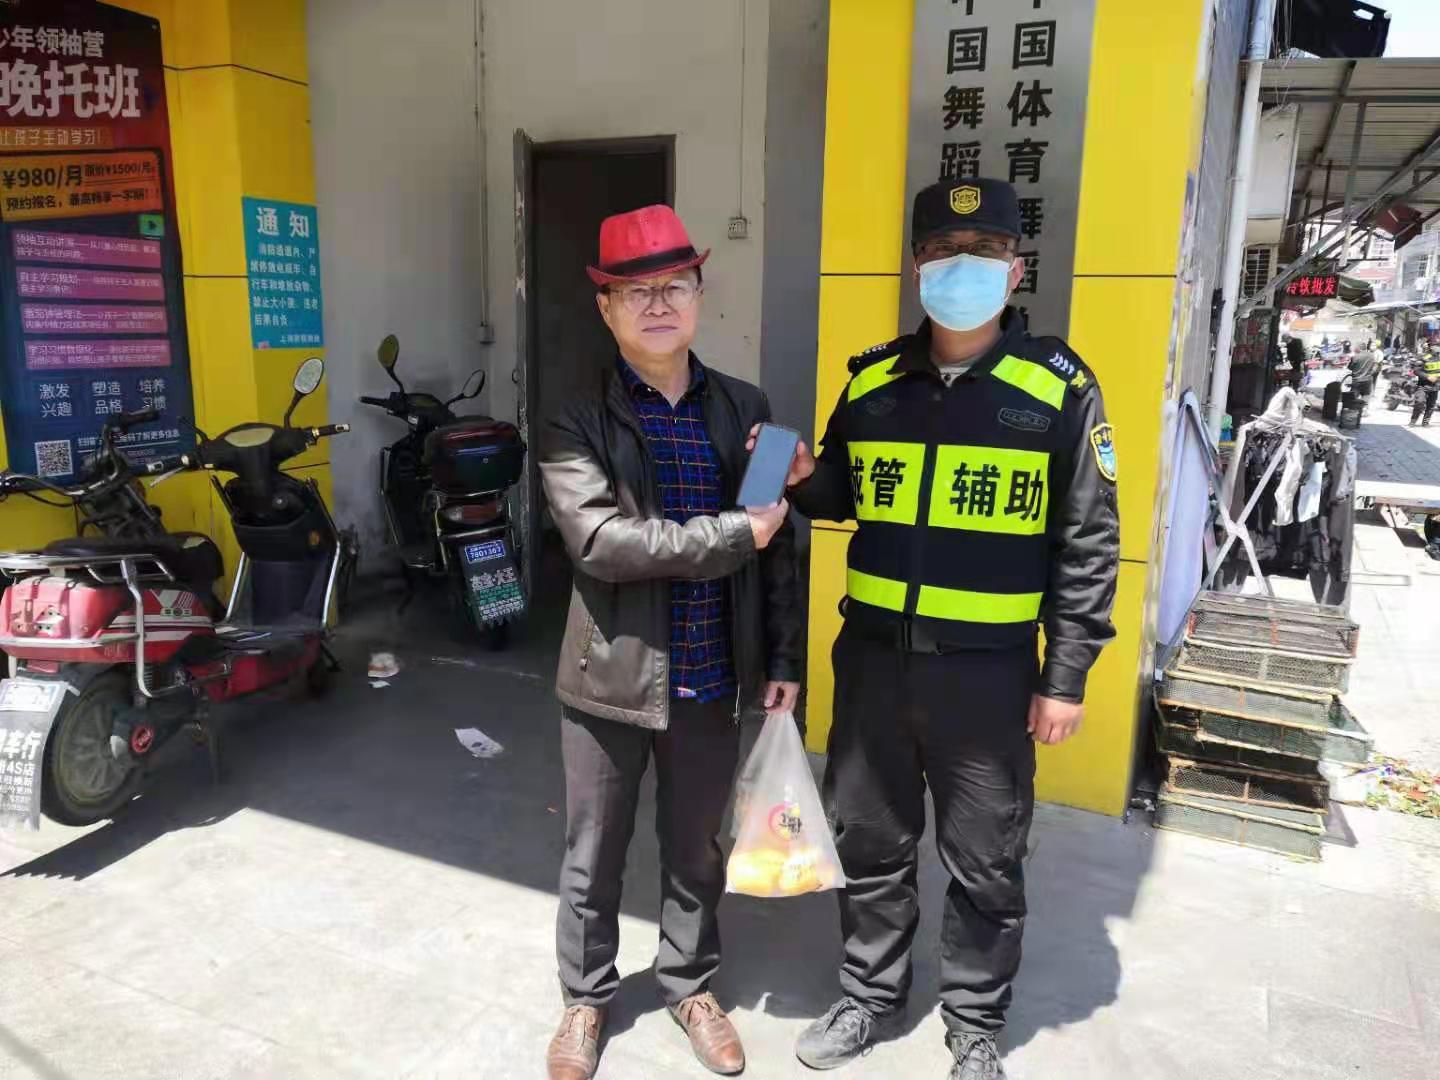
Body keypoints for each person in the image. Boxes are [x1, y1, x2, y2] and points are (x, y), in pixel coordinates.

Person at [776, 178, 1119, 1080]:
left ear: (1016, 269)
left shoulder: (1060, 388)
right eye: (940, 251)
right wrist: (803, 478)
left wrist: (1066, 675)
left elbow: (1089, 542)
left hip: (989, 674)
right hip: (874, 665)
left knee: (986, 857)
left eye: (984, 251)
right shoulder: (872, 381)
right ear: (916, 267)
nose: (961, 268)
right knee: (869, 841)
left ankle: (973, 1024)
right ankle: (868, 995)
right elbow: (843, 493)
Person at [539, 204, 802, 1080]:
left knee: (697, 848)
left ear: (699, 295)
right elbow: (600, 542)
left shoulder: (746, 407)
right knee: (593, 853)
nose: (658, 304)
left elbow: (778, 543)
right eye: (635, 291)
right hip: (609, 674)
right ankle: (586, 998)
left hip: (711, 672)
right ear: (605, 308)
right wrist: (732, 534)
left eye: (674, 286)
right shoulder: (577, 418)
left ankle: (690, 983)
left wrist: (784, 659)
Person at [1411, 349, 1440, 427]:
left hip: (1436, 385)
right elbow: (1416, 371)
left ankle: (1425, 422)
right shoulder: (1424, 357)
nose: (1437, 347)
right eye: (1434, 345)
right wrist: (1428, 377)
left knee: (1431, 405)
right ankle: (1413, 420)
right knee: (1419, 402)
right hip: (1423, 385)